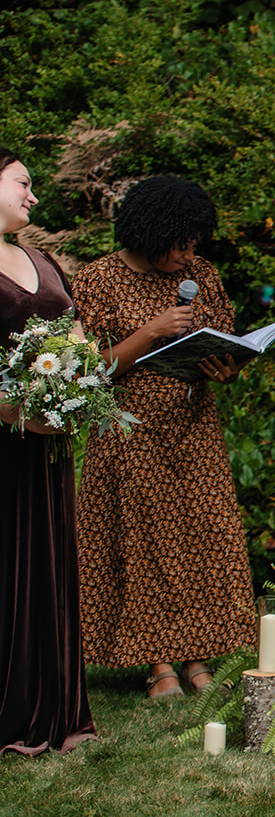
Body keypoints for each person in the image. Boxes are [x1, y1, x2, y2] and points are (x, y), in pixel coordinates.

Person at [72, 175, 256, 700]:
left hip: (193, 430)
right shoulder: (98, 279)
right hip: (130, 434)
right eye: (179, 241)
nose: (188, 252)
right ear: (149, 233)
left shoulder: (203, 276)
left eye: (194, 240)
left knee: (200, 540)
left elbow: (224, 343)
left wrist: (227, 367)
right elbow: (92, 369)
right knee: (144, 547)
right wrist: (152, 330)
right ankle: (158, 665)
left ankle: (198, 657)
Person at [0, 148, 98, 754]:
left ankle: (56, 708)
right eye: (22, 184)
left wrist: (77, 391)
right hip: (5, 441)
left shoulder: (44, 259)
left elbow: (78, 340)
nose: (34, 198)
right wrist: (9, 410)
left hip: (48, 449)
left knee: (48, 565)